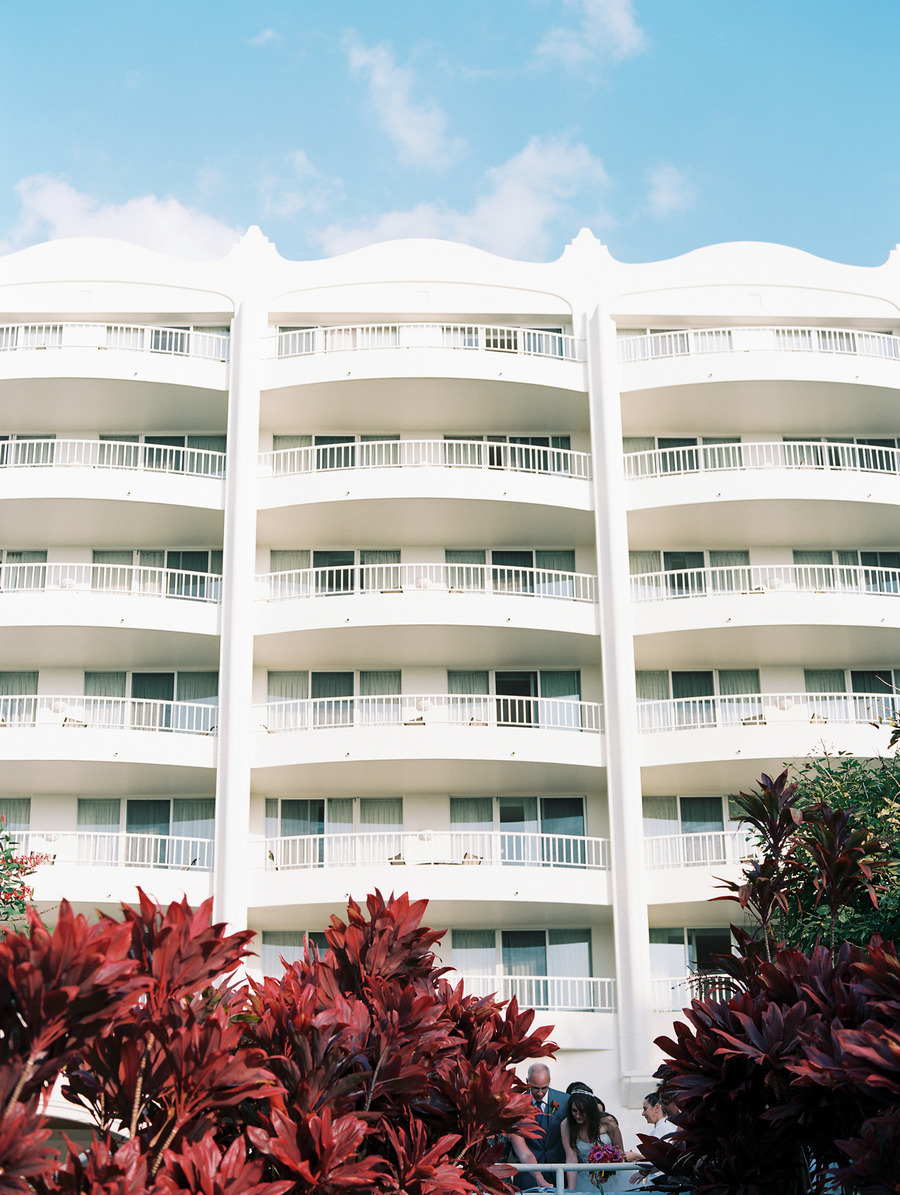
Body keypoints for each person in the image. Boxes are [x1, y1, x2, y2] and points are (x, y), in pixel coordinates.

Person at [511, 1063, 569, 1190]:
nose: (540, 1093)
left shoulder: (565, 1101)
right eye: (536, 1088)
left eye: (545, 1088)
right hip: (527, 1175)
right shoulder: (516, 1102)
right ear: (527, 1082)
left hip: (558, 1173)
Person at [562, 1090, 628, 1191]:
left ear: (590, 1109)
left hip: (612, 1178)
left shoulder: (608, 1122)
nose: (578, 1115)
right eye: (574, 1111)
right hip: (585, 1179)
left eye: (582, 1111)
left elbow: (620, 1152)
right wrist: (572, 1191)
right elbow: (571, 1158)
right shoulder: (566, 1125)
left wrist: (607, 1171)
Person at [624, 1092, 675, 1187]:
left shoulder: (663, 1127)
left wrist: (635, 1156)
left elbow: (662, 1158)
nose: (643, 1113)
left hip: (662, 1180)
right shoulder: (662, 1126)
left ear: (656, 1107)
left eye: (645, 1109)